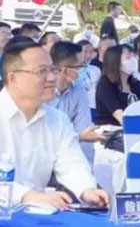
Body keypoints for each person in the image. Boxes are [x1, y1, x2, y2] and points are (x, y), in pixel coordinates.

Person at [0, 40, 109, 209]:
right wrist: (28, 196)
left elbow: (71, 163)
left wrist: (87, 190)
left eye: (52, 69)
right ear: (13, 79)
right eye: (41, 71)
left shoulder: (57, 120)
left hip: (35, 214)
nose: (52, 78)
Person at [47, 41, 106, 163]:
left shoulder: (79, 89)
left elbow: (85, 130)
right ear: (65, 70)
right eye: (81, 66)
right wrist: (79, 136)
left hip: (69, 157)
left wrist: (88, 168)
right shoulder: (42, 92)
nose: (84, 68)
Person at [94, 44, 140, 126]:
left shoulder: (137, 85)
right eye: (128, 57)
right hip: (109, 129)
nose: (134, 60)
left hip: (133, 128)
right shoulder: (105, 85)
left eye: (134, 56)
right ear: (115, 61)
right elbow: (119, 115)